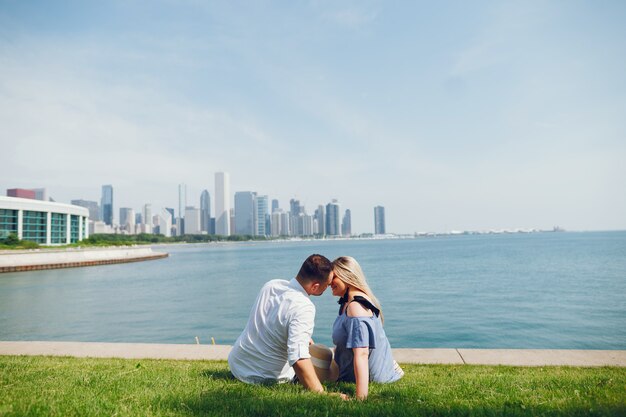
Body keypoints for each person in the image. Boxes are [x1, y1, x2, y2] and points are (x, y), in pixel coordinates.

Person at [228, 254, 334, 393]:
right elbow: (298, 357)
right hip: (264, 377)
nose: (328, 288)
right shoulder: (304, 307)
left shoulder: (271, 285)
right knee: (325, 359)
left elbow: (273, 321)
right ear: (315, 287)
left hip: (238, 365)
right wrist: (323, 394)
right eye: (326, 286)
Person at [330, 256, 404, 400]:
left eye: (333, 277)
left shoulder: (356, 307)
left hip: (370, 378)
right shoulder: (347, 303)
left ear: (346, 276)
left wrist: (360, 398)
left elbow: (362, 353)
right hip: (345, 372)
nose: (328, 283)